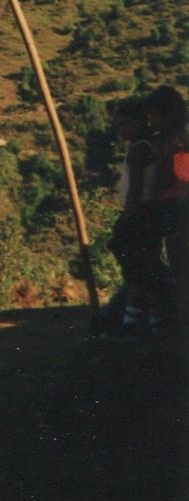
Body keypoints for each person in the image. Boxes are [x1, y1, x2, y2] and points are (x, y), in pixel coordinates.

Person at [105, 97, 156, 335]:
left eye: (125, 124)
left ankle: (133, 320)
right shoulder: (147, 146)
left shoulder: (139, 150)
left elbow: (136, 187)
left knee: (137, 266)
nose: (121, 129)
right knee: (143, 266)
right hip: (146, 212)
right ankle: (146, 318)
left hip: (139, 213)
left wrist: (128, 215)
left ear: (139, 123)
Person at [142, 85, 189, 328]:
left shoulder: (178, 140)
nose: (150, 117)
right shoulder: (165, 140)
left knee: (181, 264)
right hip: (171, 206)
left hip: (178, 207)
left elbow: (183, 177)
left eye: (154, 112)